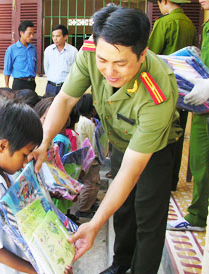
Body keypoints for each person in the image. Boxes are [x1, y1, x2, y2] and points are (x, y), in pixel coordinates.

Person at [29, 5, 181, 274]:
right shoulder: (92, 51)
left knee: (147, 217)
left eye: (120, 63)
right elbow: (65, 99)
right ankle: (121, 265)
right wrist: (43, 142)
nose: (109, 71)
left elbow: (133, 171)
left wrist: (95, 223)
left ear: (142, 54)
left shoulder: (159, 91)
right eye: (103, 61)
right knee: (123, 212)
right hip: (120, 141)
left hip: (154, 149)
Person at [0, 99, 73, 274]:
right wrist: (40, 270)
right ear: (3, 146)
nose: (25, 162)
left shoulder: (7, 174)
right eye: (24, 154)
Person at [167, 0, 209, 232]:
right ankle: (197, 216)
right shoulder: (203, 24)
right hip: (201, 103)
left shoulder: (169, 23)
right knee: (199, 162)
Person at [147, 0, 196, 191]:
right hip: (184, 89)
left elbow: (151, 55)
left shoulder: (164, 23)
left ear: (164, 1)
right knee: (179, 134)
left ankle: (160, 182)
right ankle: (173, 181)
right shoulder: (190, 24)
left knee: (161, 136)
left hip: (162, 89)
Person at [74, 94, 101, 218]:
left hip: (83, 157)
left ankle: (89, 203)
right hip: (90, 159)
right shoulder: (88, 124)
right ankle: (84, 208)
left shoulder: (80, 120)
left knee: (89, 183)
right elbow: (93, 143)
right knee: (91, 183)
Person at [44, 24, 78, 97]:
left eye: (58, 36)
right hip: (51, 86)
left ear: (65, 37)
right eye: (53, 36)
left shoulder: (73, 51)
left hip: (66, 87)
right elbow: (46, 67)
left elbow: (75, 70)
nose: (55, 39)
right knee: (49, 107)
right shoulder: (48, 50)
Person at [4, 21, 37, 91]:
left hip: (32, 83)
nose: (32, 36)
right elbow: (7, 69)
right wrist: (6, 86)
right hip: (19, 83)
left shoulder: (33, 48)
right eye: (29, 33)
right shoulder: (12, 49)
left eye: (33, 33)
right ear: (21, 33)